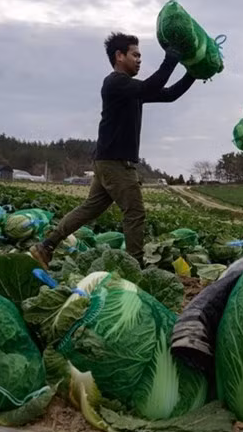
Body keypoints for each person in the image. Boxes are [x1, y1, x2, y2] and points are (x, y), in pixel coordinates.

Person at [30, 32, 195, 270]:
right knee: (135, 213)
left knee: (89, 209)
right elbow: (152, 85)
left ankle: (45, 246)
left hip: (107, 160)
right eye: (135, 55)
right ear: (119, 56)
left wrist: (192, 75)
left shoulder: (131, 89)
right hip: (116, 162)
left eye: (140, 55)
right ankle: (134, 268)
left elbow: (167, 95)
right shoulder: (115, 83)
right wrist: (171, 59)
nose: (139, 60)